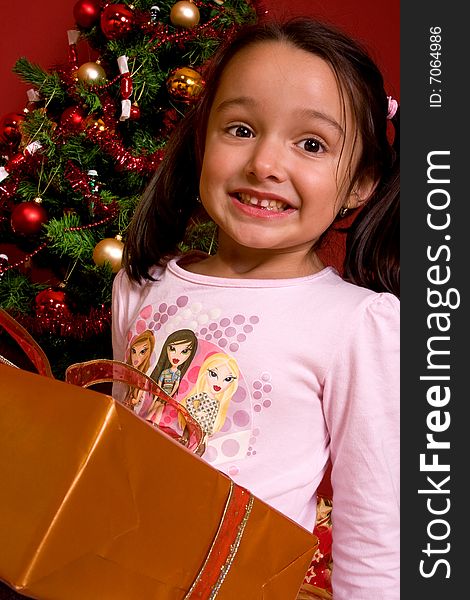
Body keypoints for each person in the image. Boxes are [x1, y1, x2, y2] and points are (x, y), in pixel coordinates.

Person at [112, 17, 399, 599]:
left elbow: (375, 529)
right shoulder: (140, 286)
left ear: (360, 184)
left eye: (311, 144)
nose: (264, 163)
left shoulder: (356, 325)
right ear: (202, 144)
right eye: (240, 129)